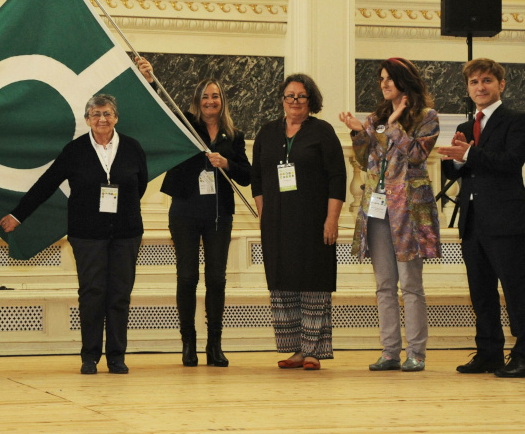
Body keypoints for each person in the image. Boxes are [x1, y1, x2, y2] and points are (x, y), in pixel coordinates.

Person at [0, 94, 148, 375]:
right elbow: (46, 184)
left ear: (116, 117)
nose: (102, 119)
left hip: (126, 233)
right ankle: (90, 356)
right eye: (96, 114)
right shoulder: (75, 150)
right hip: (87, 234)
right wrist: (18, 215)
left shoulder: (132, 147)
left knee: (119, 295)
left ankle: (116, 356)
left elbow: (139, 186)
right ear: (87, 119)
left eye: (107, 113)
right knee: (92, 293)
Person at [135, 57, 250, 367]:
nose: (210, 101)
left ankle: (215, 345)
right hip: (185, 211)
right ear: (197, 101)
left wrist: (227, 163)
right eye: (205, 96)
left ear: (222, 101)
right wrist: (150, 81)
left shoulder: (234, 136)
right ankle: (188, 343)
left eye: (215, 96)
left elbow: (247, 175)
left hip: (219, 215)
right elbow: (159, 113)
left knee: (216, 279)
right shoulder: (185, 124)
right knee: (187, 277)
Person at [438, 58, 525, 378]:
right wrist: (456, 161)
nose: (480, 87)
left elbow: (510, 162)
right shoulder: (465, 127)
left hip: (506, 219)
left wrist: (468, 154)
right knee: (481, 292)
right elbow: (456, 172)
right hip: (472, 220)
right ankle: (489, 354)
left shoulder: (517, 120)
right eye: (474, 82)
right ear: (468, 88)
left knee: (515, 290)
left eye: (486, 81)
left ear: (501, 85)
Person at [339, 57, 441, 372]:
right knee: (384, 284)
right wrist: (359, 133)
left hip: (408, 209)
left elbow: (417, 155)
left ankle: (417, 353)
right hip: (377, 208)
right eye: (381, 78)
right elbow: (363, 161)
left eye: (389, 78)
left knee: (410, 284)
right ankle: (390, 351)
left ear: (404, 80)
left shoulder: (426, 116)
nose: (383, 84)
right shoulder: (375, 118)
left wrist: (396, 126)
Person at [250, 74, 345, 371]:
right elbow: (257, 179)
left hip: (314, 222)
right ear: (282, 99)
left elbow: (337, 178)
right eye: (289, 96)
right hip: (277, 224)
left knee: (313, 283)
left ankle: (313, 351)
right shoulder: (267, 132)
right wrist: (264, 214)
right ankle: (296, 350)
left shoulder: (322, 131)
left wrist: (332, 219)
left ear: (310, 100)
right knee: (283, 284)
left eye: (301, 96)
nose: (295, 101)